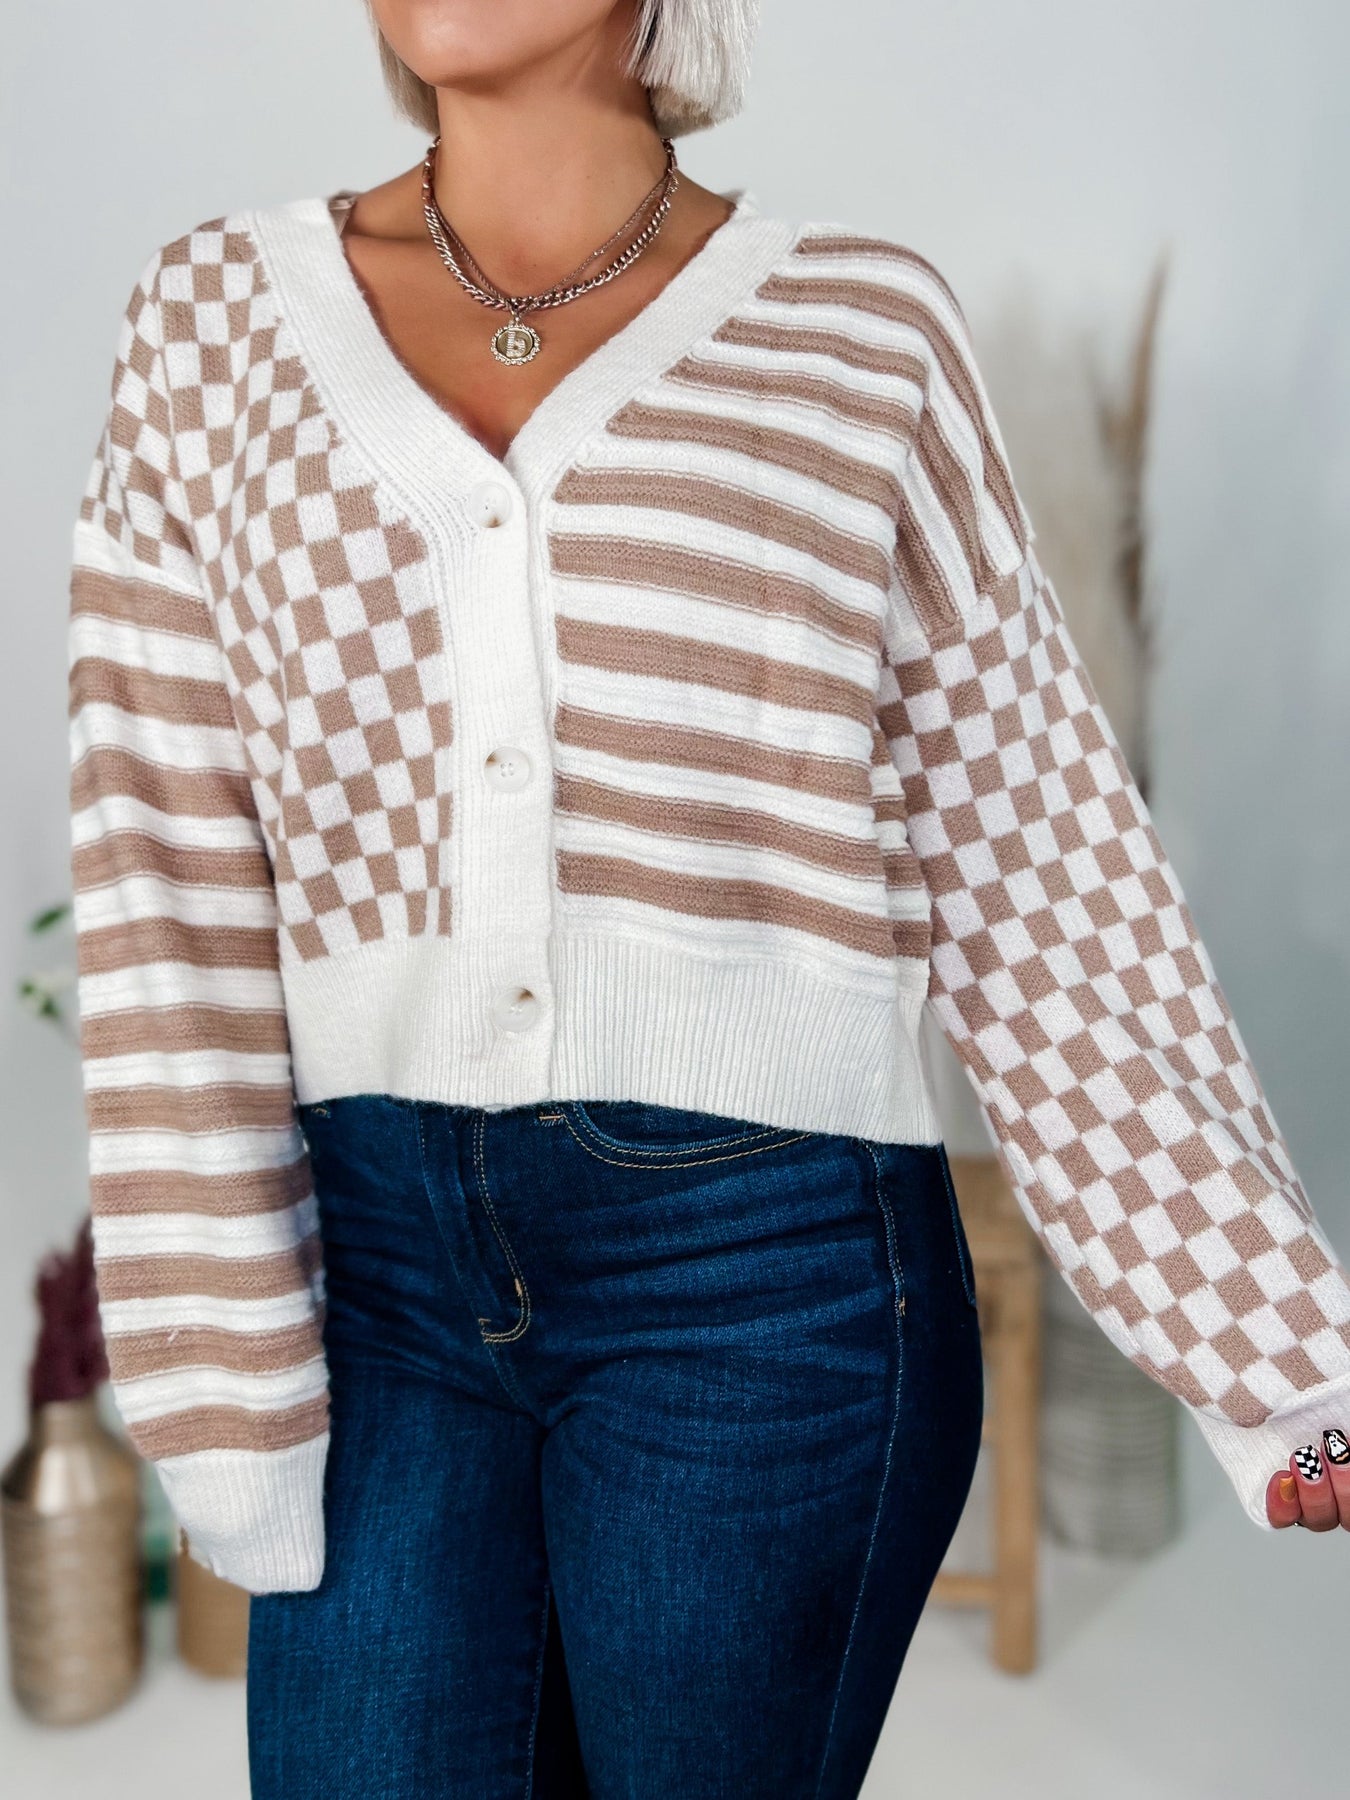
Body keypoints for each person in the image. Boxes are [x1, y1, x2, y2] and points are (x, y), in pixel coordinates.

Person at [65, 2, 1350, 1795]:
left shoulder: (861, 332)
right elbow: (162, 880)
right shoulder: (211, 322)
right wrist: (219, 1381)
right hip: (379, 1286)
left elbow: (1035, 859)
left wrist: (1282, 1366)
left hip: (765, 1281)